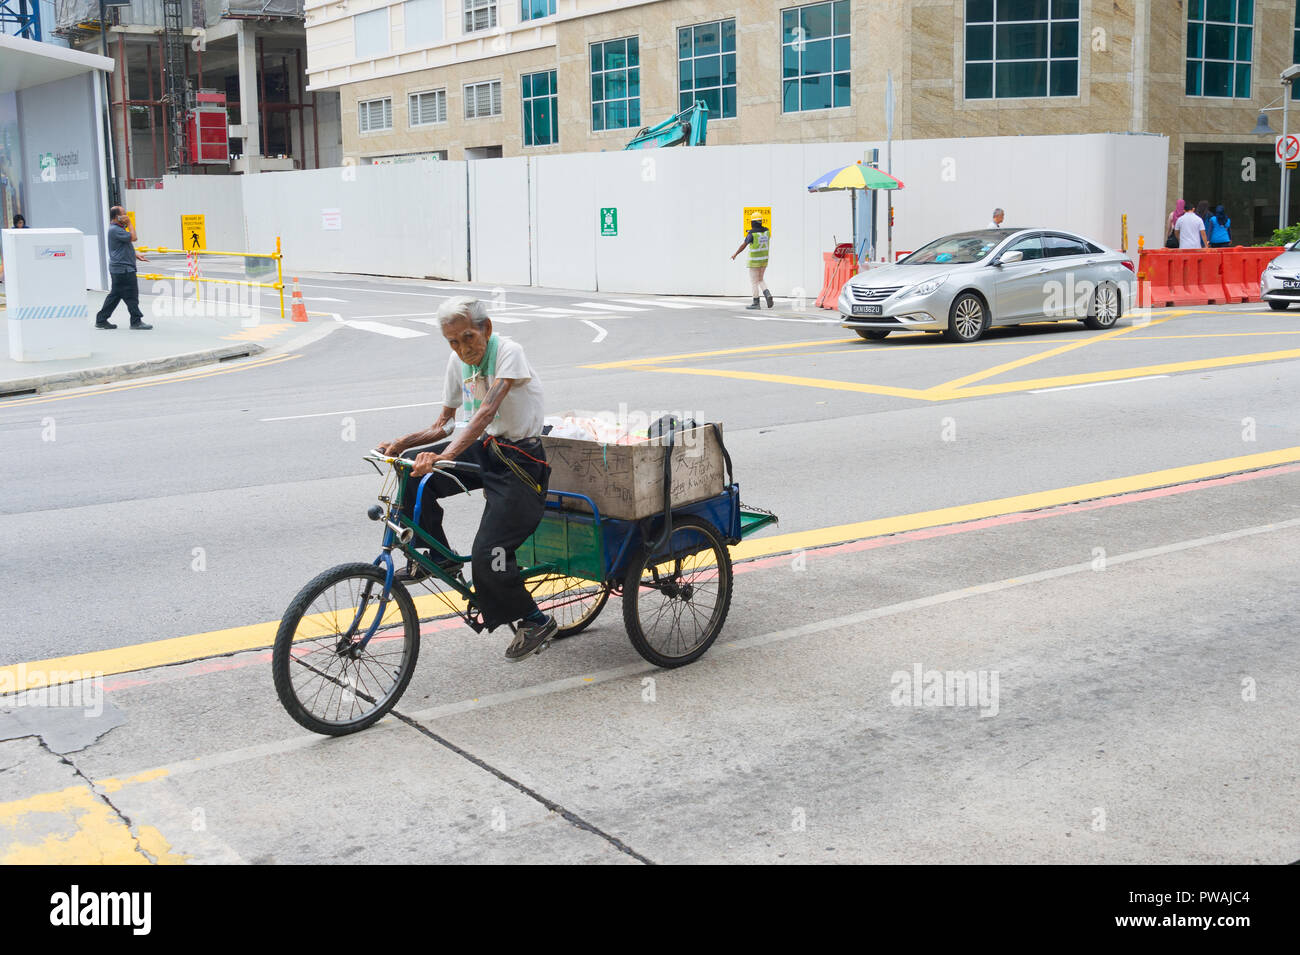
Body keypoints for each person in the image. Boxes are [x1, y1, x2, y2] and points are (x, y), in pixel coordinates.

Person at [376, 296, 555, 662]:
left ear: (486, 329)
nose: (462, 348)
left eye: (468, 337)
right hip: (486, 447)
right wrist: (402, 444)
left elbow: (486, 410)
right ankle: (440, 559)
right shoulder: (457, 361)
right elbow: (443, 423)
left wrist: (445, 456)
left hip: (520, 460)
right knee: (409, 467)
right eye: (453, 342)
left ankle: (534, 620)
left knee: (490, 554)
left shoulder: (508, 351)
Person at [95, 206, 152, 330]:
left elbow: (122, 247)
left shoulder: (117, 229)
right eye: (124, 214)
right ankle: (136, 321)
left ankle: (101, 319)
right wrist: (130, 223)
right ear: (117, 217)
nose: (126, 216)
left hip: (120, 269)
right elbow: (134, 237)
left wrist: (135, 254)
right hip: (124, 269)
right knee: (131, 296)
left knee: (115, 295)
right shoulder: (116, 229)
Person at [731, 216, 774, 310]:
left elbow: (744, 245)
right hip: (764, 260)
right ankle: (767, 293)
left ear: (753, 223)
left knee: (754, 282)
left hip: (754, 261)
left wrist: (736, 254)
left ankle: (756, 303)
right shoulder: (767, 231)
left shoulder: (752, 234)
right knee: (760, 279)